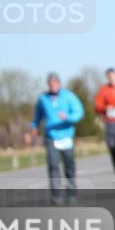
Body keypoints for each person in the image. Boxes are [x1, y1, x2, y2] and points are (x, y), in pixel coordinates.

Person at [31, 72, 84, 204]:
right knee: (53, 165)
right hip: (51, 136)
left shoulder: (69, 96)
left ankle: (71, 193)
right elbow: (37, 115)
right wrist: (34, 126)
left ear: (59, 83)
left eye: (55, 82)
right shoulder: (43, 98)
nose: (53, 84)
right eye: (50, 83)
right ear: (48, 84)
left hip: (66, 135)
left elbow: (79, 112)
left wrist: (68, 117)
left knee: (69, 165)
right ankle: (56, 195)